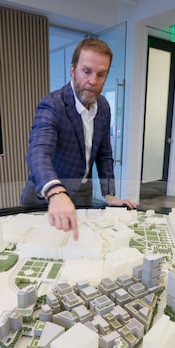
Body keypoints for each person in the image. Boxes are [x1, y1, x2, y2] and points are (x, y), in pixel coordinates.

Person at [20, 37, 136, 240]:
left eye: (101, 74)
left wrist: (109, 194)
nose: (93, 81)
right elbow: (38, 152)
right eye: (86, 71)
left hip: (82, 193)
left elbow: (104, 153)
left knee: (78, 249)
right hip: (46, 199)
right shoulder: (52, 105)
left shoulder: (104, 107)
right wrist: (56, 191)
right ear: (73, 70)